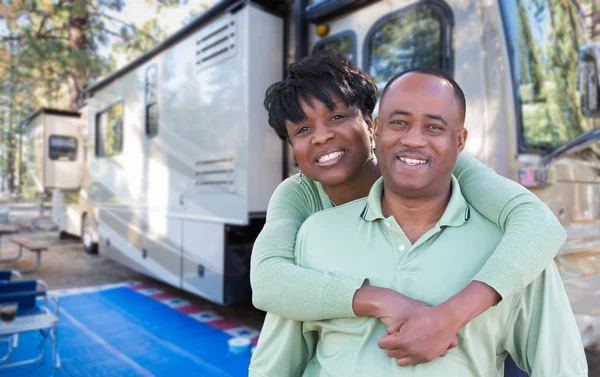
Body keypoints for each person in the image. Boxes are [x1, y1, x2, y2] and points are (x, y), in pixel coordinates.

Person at [251, 68, 588, 377]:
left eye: (337, 117)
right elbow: (270, 283)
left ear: (370, 124)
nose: (322, 137)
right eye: (303, 129)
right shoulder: (307, 217)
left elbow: (538, 223)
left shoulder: (448, 171)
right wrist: (379, 299)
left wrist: (448, 317)